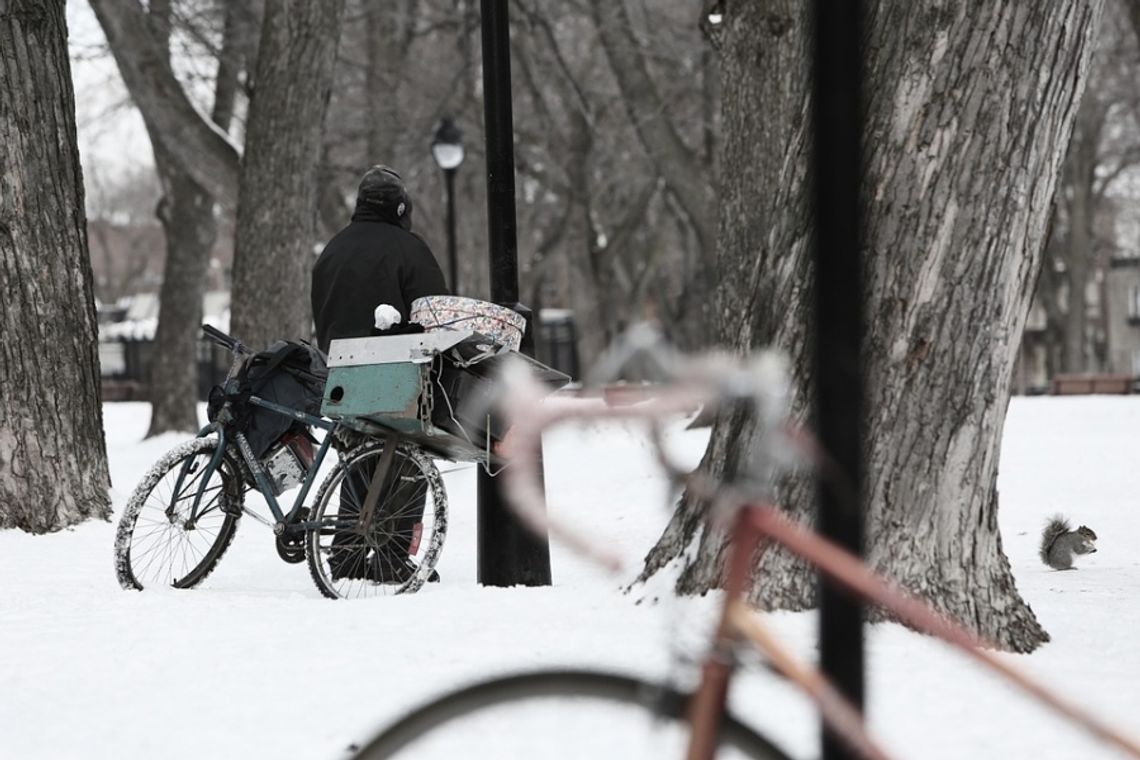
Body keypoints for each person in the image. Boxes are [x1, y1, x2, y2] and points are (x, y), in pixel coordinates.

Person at [311, 165, 448, 584]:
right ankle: (392, 555)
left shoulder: (331, 250)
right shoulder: (409, 249)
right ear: (400, 207)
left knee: (355, 462)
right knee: (408, 461)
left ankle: (348, 553)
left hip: (342, 373)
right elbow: (434, 312)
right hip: (395, 373)